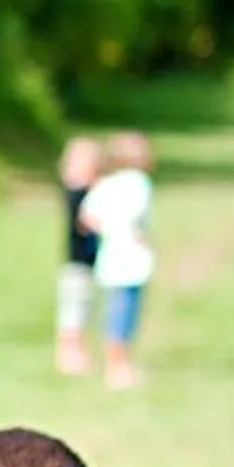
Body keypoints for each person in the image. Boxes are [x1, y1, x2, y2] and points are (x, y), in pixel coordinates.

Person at [79, 133, 156, 389]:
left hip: (111, 254)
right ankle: (119, 365)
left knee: (114, 309)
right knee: (125, 312)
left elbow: (88, 217)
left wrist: (108, 231)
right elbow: (136, 216)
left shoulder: (105, 185)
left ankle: (115, 362)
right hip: (131, 256)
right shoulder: (138, 184)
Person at [53, 137, 104, 376]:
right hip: (78, 264)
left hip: (86, 264)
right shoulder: (76, 194)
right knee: (74, 310)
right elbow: (86, 222)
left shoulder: (83, 193)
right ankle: (69, 354)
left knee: (82, 310)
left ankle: (77, 352)